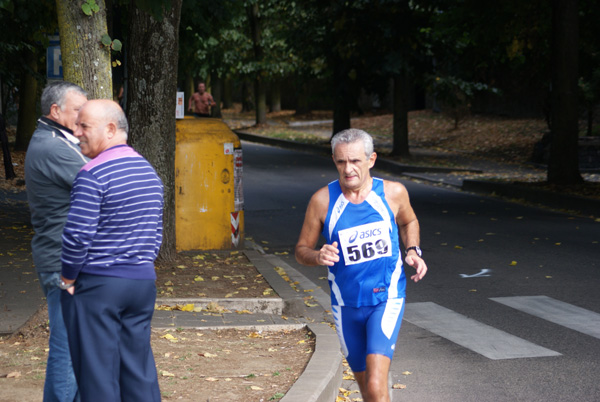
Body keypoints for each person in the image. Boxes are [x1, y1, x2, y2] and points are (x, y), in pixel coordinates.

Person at [295, 129, 428, 402]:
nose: (348, 169)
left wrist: (412, 249)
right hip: (345, 306)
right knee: (368, 391)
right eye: (341, 162)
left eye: (355, 161)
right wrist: (318, 256)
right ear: (334, 160)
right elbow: (301, 251)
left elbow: (408, 221)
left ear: (371, 159)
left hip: (386, 300)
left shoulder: (393, 193)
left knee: (377, 384)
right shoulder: (322, 201)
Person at [59, 99, 163, 401]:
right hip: (142, 284)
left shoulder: (93, 174)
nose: (77, 132)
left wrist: (67, 278)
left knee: (97, 375)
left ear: (110, 129)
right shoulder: (149, 173)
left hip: (99, 286)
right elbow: (155, 234)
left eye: (84, 126)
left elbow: (77, 237)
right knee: (138, 371)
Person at [25, 80, 88, 402]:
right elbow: (99, 183)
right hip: (63, 262)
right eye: (78, 110)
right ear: (55, 110)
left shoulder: (59, 141)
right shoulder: (53, 147)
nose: (83, 116)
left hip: (63, 258)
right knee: (67, 353)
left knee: (76, 351)